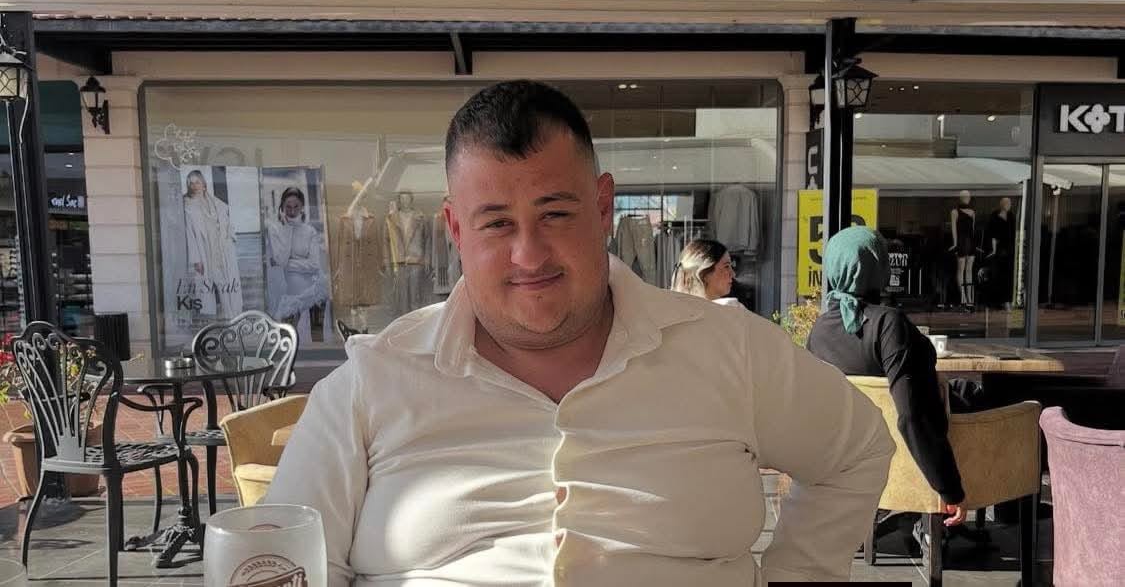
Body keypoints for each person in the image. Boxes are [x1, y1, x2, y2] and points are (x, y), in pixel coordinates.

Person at [268, 80, 893, 586]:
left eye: (555, 214)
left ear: (602, 208)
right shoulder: (371, 383)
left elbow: (856, 449)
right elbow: (280, 560)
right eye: (496, 224)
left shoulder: (728, 347)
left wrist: (799, 575)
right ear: (456, 230)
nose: (529, 255)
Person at [806, 226, 967, 537]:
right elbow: (912, 416)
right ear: (877, 267)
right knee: (1000, 398)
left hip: (854, 462)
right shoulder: (888, 324)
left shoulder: (820, 330)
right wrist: (950, 489)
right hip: (910, 456)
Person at [267, 186, 330, 344]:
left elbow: (314, 265)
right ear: (282, 207)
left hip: (314, 289)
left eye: (296, 206)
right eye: (288, 207)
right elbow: (281, 259)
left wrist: (287, 264)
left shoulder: (310, 231)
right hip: (291, 294)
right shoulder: (275, 230)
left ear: (302, 207)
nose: (292, 211)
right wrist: (288, 228)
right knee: (286, 340)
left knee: (317, 338)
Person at [182, 169, 242, 318]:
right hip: (206, 250)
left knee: (229, 282)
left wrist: (230, 238)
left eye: (197, 182)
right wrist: (196, 259)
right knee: (220, 283)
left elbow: (227, 223)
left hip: (222, 248)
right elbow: (190, 235)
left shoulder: (217, 203)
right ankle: (229, 316)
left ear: (203, 184)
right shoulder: (188, 208)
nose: (194, 186)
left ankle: (233, 315)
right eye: (191, 183)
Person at [670, 238, 740, 306]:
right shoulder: (731, 307)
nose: (733, 274)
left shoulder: (675, 308)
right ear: (704, 273)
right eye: (726, 266)